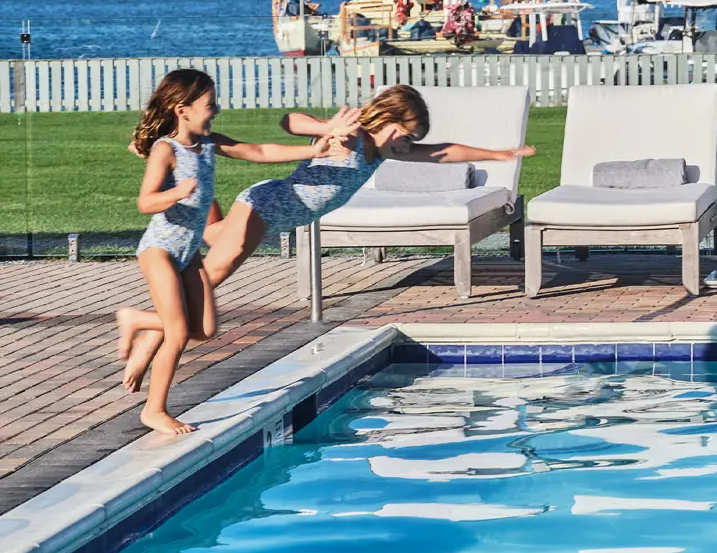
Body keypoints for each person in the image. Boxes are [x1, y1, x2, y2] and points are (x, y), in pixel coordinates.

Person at [120, 85, 536, 397]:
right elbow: (290, 121)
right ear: (391, 126)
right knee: (212, 275)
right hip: (265, 207)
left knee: (210, 247)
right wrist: (326, 127)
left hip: (275, 215)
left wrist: (498, 154)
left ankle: (190, 189)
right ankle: (146, 333)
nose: (410, 147)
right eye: (408, 138)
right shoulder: (350, 138)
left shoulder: (386, 150)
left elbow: (444, 151)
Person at [118, 70, 350, 435]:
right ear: (183, 110)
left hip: (188, 252)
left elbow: (255, 151)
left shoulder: (208, 143)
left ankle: (136, 319)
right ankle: (154, 410)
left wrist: (314, 149)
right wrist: (176, 194)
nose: (216, 110)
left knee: (205, 330)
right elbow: (145, 201)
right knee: (178, 334)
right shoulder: (167, 150)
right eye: (209, 105)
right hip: (160, 249)